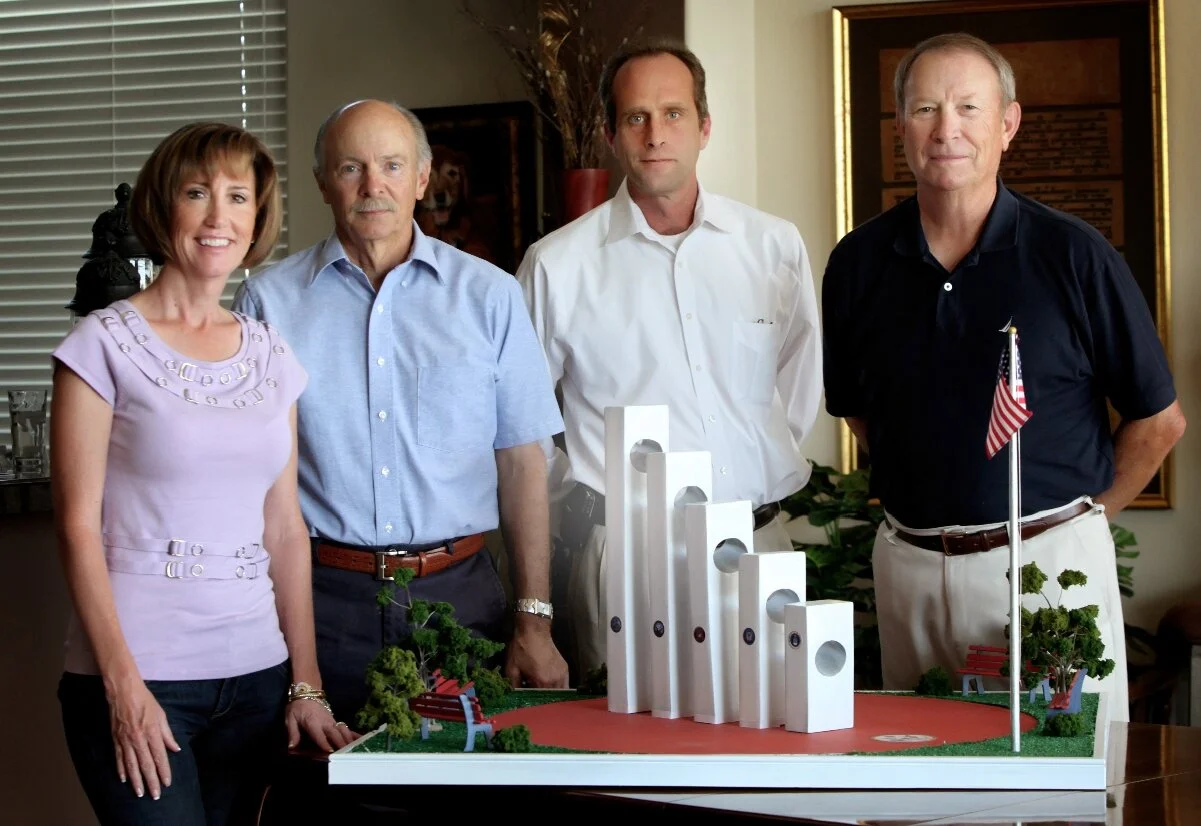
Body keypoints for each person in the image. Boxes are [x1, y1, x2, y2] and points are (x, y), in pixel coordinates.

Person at [821, 33, 1186, 720]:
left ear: (1007, 124)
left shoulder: (1074, 254)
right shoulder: (857, 262)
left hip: (1046, 570)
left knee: (1063, 788)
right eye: (925, 108)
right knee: (924, 786)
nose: (945, 129)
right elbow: (857, 408)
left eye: (967, 107)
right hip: (909, 572)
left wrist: (1082, 522)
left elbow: (1159, 420)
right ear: (899, 125)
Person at [51, 122, 355, 826]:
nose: (220, 217)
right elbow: (75, 526)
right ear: (164, 208)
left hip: (255, 680)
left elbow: (284, 527)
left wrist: (304, 681)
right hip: (142, 677)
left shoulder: (270, 353)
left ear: (257, 219)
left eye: (238, 198)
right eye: (198, 193)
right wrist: (122, 688)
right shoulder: (100, 345)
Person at [233, 99, 568, 724]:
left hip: (462, 594)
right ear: (323, 183)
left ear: (422, 177)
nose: (373, 185)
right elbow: (246, 482)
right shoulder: (267, 303)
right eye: (352, 167)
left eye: (392, 165)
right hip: (322, 601)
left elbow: (524, 463)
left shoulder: (491, 296)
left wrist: (534, 619)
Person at [516, 39, 822, 679]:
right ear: (610, 133)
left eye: (674, 113)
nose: (656, 134)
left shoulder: (773, 247)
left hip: (759, 549)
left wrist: (742, 477)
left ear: (705, 126)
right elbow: (524, 431)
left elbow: (798, 389)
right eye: (636, 117)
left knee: (771, 755)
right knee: (625, 768)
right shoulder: (557, 265)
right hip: (628, 562)